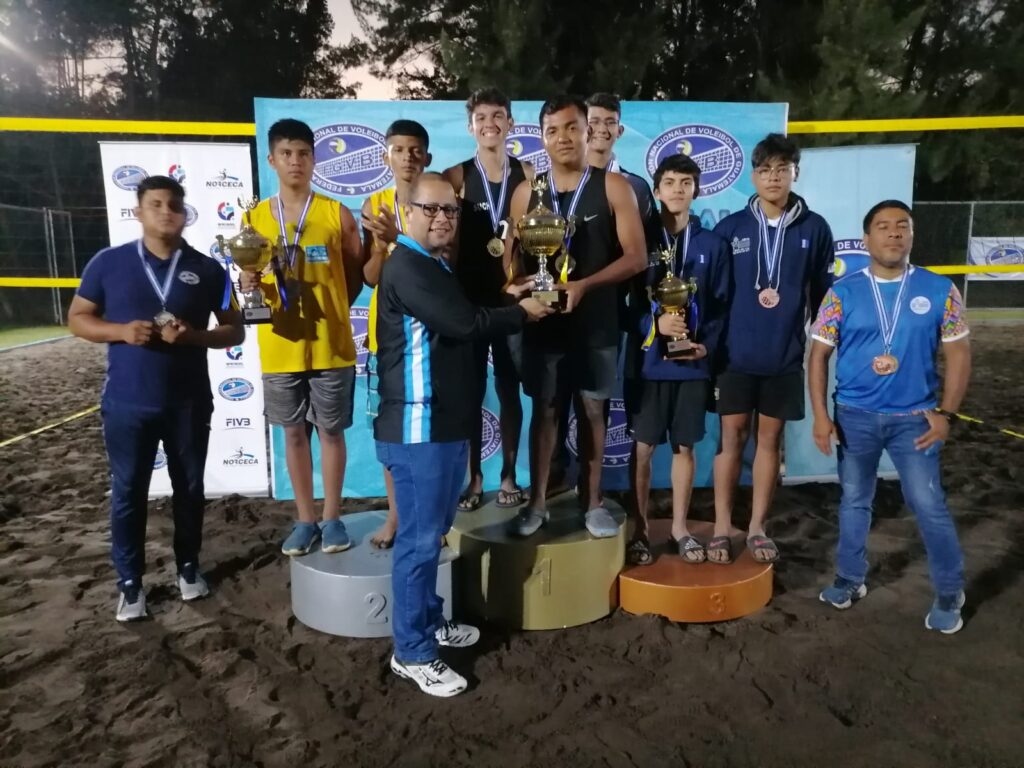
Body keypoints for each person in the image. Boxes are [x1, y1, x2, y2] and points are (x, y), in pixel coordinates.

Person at [375, 172, 552, 696]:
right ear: (407, 210)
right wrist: (522, 312)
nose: (441, 219)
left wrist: (509, 293)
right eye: (430, 209)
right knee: (419, 542)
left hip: (443, 425)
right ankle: (411, 652)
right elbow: (466, 326)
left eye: (450, 211)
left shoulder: (431, 265)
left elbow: (466, 313)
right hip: (418, 426)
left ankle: (428, 623)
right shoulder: (407, 265)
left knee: (429, 537)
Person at [68, 175, 244, 621]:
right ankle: (130, 583)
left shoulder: (208, 269)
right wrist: (120, 331)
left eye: (173, 205)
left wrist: (196, 336)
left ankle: (188, 567)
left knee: (189, 488)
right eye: (156, 204)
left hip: (187, 402)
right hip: (128, 403)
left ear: (184, 214)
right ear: (139, 211)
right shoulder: (108, 263)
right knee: (128, 491)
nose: (166, 212)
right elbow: (77, 318)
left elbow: (235, 328)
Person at [810, 200, 971, 634]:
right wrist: (822, 417)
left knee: (927, 504)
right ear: (867, 239)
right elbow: (818, 356)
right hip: (855, 416)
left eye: (903, 226)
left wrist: (946, 415)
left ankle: (950, 591)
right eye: (883, 227)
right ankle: (849, 579)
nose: (894, 233)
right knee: (854, 500)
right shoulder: (842, 292)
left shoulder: (940, 290)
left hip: (915, 420)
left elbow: (959, 356)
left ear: (912, 236)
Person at [504, 95, 647, 539]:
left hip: (597, 322)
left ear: (589, 131)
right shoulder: (527, 192)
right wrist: (514, 283)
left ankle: (593, 500)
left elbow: (638, 257)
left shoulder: (614, 188)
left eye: (571, 128)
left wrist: (585, 285)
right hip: (543, 323)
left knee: (592, 411)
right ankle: (537, 502)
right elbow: (512, 261)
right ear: (542, 137)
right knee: (543, 411)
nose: (562, 137)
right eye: (552, 130)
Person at [239, 118, 363, 557]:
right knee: (292, 434)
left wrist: (329, 303)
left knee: (330, 432)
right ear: (272, 160)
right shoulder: (253, 218)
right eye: (287, 154)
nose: (296, 161)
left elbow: (355, 274)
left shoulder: (335, 213)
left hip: (330, 344)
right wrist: (251, 286)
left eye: (304, 153)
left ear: (315, 159)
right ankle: (304, 519)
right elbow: (247, 274)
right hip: (280, 344)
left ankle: (331, 518)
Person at [710, 133, 834, 564]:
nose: (774, 177)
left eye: (782, 169)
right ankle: (724, 526)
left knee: (770, 441)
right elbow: (716, 297)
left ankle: (758, 527)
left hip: (784, 356)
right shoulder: (730, 229)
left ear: (795, 173)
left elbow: (823, 297)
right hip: (734, 356)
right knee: (730, 439)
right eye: (765, 170)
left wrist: (821, 344)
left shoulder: (814, 228)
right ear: (753, 175)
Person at [624, 154, 731, 566]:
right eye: (670, 182)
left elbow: (722, 305)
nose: (678, 190)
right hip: (650, 364)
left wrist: (706, 345)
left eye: (686, 183)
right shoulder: (639, 241)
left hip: (692, 365)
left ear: (697, 190)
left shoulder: (712, 245)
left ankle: (681, 528)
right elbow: (624, 303)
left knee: (685, 446)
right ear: (656, 190)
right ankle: (640, 529)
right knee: (644, 448)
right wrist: (654, 324)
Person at [442, 87, 533, 511]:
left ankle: (510, 473)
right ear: (471, 126)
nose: (490, 123)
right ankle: (475, 476)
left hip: (513, 301)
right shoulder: (455, 177)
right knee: (472, 391)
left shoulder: (530, 174)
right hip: (469, 303)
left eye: (498, 115)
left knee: (510, 389)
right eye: (482, 117)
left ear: (510, 123)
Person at [361, 119, 432, 548]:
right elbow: (370, 277)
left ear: (426, 156)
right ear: (387, 155)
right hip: (385, 340)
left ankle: (429, 519)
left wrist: (399, 239)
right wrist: (385, 245)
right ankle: (395, 516)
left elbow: (444, 270)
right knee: (390, 435)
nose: (407, 157)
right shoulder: (374, 204)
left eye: (414, 149)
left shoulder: (439, 201)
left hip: (429, 339)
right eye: (398, 149)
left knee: (431, 437)